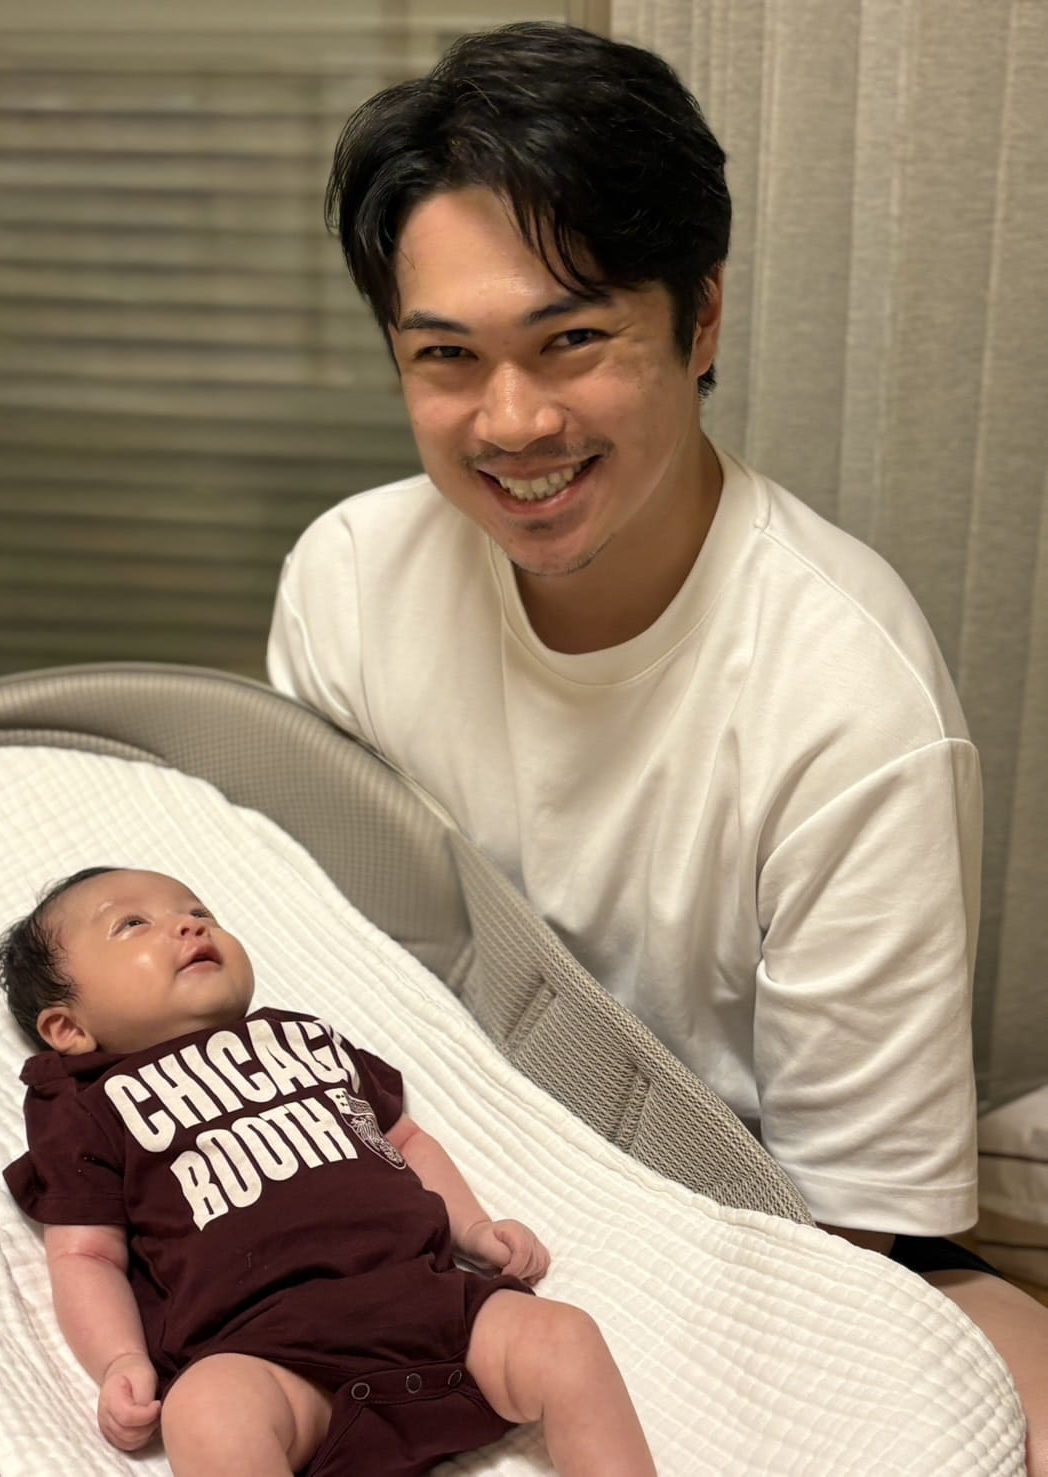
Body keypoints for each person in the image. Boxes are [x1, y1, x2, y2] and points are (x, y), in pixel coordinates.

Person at [266, 19, 1048, 1469]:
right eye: (447, 358)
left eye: (573, 339)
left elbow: (846, 1226)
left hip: (754, 1224)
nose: (512, 422)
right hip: (432, 1187)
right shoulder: (350, 583)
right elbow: (338, 985)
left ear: (699, 323)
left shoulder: (847, 702)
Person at [0, 866, 656, 1477]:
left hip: (432, 1310)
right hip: (275, 1359)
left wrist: (477, 1229)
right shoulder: (89, 1103)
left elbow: (404, 1137)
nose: (189, 924)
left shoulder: (303, 1037)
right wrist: (117, 1359)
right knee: (208, 1413)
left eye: (198, 910)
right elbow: (85, 1253)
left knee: (565, 1337)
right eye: (131, 924)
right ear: (68, 1027)